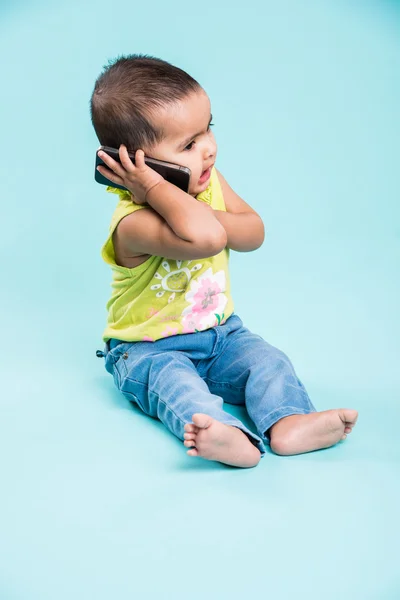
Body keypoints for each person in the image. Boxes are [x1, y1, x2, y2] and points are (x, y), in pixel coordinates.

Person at [90, 54, 358, 468]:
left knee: (268, 362)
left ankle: (289, 422)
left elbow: (253, 233)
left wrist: (177, 192)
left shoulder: (209, 183)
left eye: (208, 127)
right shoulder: (134, 223)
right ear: (138, 165)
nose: (210, 149)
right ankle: (225, 435)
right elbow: (211, 238)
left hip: (222, 335)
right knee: (177, 386)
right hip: (147, 350)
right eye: (189, 144)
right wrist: (155, 191)